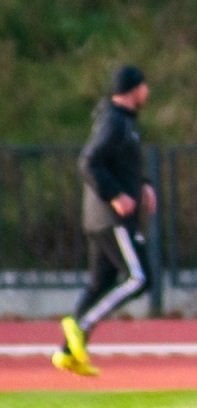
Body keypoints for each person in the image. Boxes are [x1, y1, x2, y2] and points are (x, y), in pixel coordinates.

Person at [55, 65, 155, 377]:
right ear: (133, 89)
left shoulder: (124, 123)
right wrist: (115, 195)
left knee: (101, 283)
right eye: (144, 86)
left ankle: (68, 352)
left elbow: (122, 162)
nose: (147, 92)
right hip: (111, 219)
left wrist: (143, 184)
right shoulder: (115, 123)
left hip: (102, 219)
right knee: (140, 278)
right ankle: (79, 325)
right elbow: (89, 161)